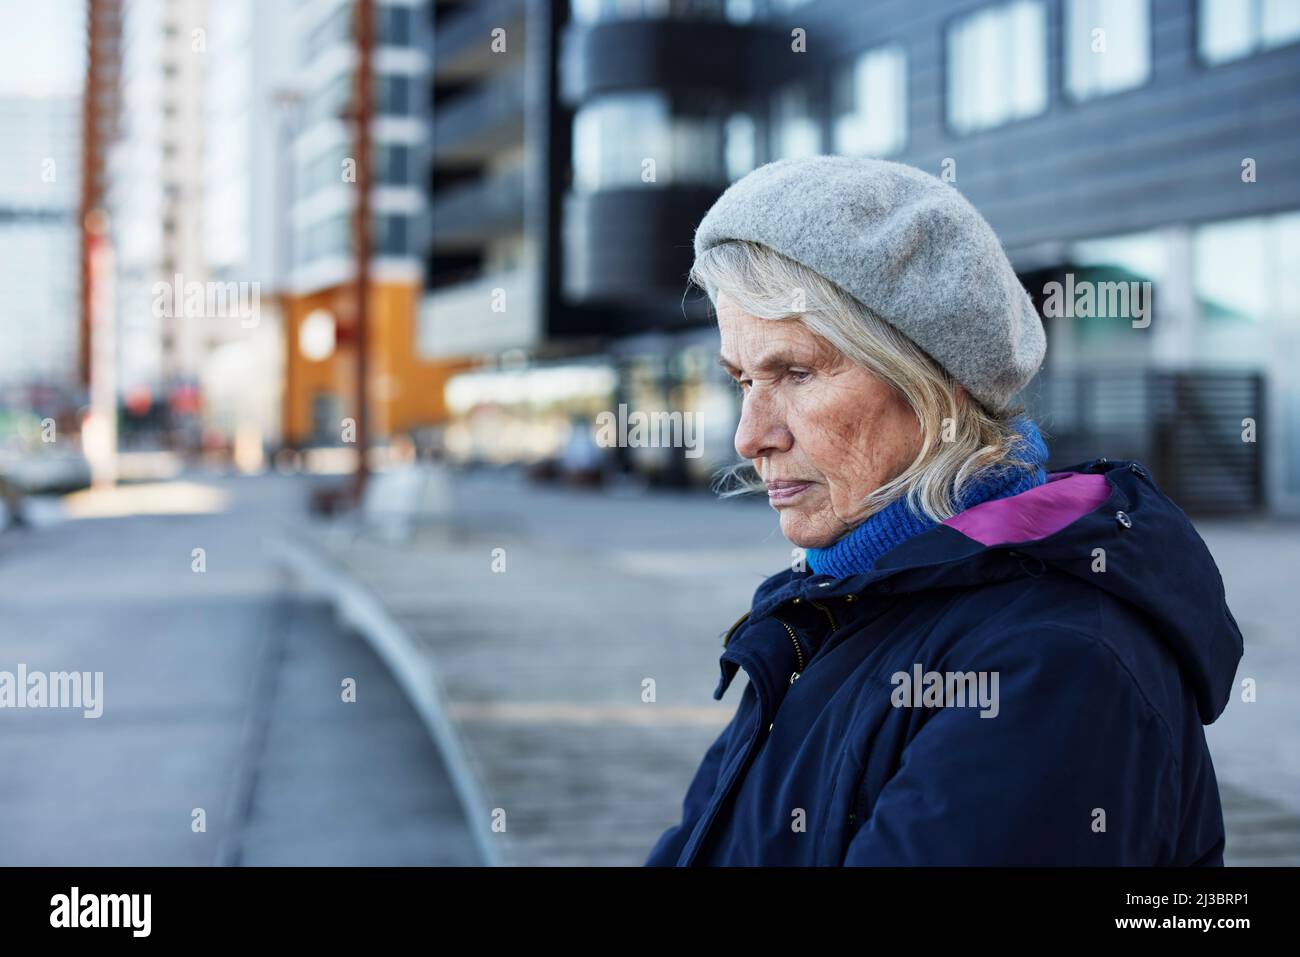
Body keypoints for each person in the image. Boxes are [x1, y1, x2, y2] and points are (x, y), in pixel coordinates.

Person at [644, 155, 1243, 866]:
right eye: (743, 379)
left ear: (939, 386)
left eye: (796, 373)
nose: (749, 437)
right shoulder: (829, 608)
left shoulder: (1053, 667)